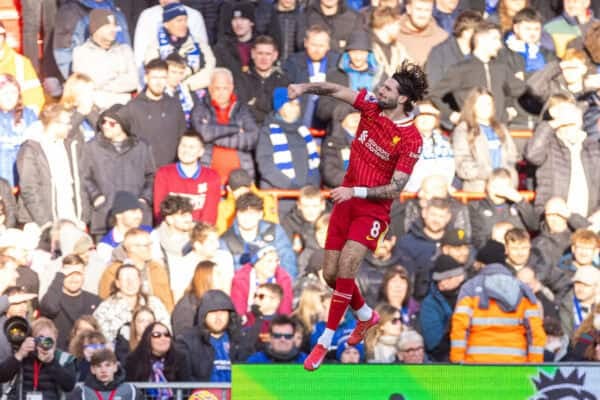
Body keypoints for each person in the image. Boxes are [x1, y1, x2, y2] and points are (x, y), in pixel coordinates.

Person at [287, 60, 427, 371]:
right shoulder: (371, 106)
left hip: (372, 208)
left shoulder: (411, 139)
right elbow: (336, 89)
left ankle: (325, 342)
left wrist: (358, 192)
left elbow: (397, 186)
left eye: (388, 88)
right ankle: (365, 314)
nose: (381, 89)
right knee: (332, 276)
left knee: (349, 265)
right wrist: (303, 88)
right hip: (345, 201)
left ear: (403, 99)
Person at [81, 104, 155, 238]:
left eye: (112, 123)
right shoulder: (92, 147)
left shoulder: (141, 147)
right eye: (103, 121)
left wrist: (144, 198)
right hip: (104, 214)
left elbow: (151, 176)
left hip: (136, 217)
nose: (105, 126)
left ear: (124, 126)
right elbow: (84, 176)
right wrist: (96, 196)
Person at [449, 262, 546, 363]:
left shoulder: (470, 288)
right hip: (515, 365)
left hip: (476, 364)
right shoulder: (523, 291)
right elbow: (535, 332)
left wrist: (457, 360)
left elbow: (459, 327)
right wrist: (535, 365)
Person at [16, 103, 86, 228]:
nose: (70, 127)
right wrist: (45, 224)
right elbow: (29, 189)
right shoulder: (31, 148)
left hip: (68, 218)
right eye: (67, 123)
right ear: (54, 124)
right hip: (40, 223)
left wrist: (80, 216)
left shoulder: (69, 146)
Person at [190, 67, 259, 185]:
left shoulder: (242, 110)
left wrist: (214, 136)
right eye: (217, 88)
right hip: (208, 176)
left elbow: (252, 138)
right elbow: (204, 134)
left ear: (231, 88)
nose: (221, 93)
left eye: (225, 88)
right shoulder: (200, 108)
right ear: (210, 88)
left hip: (241, 178)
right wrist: (236, 129)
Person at [121, 58, 186, 168]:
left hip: (169, 172)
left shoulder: (175, 105)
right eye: (155, 77)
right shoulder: (133, 107)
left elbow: (182, 137)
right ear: (146, 78)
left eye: (163, 78)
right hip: (142, 173)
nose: (159, 82)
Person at [452, 87, 519, 192]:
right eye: (481, 104)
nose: (485, 108)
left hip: (506, 187)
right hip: (478, 189)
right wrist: (492, 175)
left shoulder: (501, 128)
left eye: (488, 104)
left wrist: (508, 177)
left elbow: (512, 158)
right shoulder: (463, 129)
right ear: (472, 106)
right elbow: (462, 163)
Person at [175, 289, 250, 382]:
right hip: (202, 395)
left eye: (223, 312)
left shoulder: (241, 340)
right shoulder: (187, 341)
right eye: (213, 312)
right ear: (203, 315)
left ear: (230, 315)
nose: (218, 318)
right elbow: (184, 380)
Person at [255, 87, 321, 191]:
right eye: (289, 104)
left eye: (296, 104)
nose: (294, 108)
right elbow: (266, 166)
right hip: (280, 194)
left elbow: (314, 162)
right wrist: (291, 186)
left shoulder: (304, 132)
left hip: (307, 194)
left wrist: (310, 186)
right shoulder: (267, 132)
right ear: (279, 107)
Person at [71, 9, 138, 110]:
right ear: (95, 29)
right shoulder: (81, 52)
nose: (113, 29)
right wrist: (117, 78)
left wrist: (103, 83)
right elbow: (86, 84)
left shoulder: (125, 50)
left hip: (124, 109)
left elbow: (133, 81)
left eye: (114, 25)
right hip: (95, 111)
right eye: (108, 25)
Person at [144, 3, 215, 92]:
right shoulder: (155, 46)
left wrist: (186, 86)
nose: (183, 24)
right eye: (179, 20)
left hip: (196, 93)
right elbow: (153, 74)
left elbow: (210, 71)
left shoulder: (199, 44)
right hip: (165, 96)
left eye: (185, 20)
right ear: (166, 24)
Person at [221, 192, 297, 277]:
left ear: (260, 214)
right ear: (237, 214)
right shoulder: (226, 239)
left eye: (251, 214)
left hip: (273, 286)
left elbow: (288, 261)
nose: (247, 218)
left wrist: (285, 286)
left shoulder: (274, 230)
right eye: (242, 213)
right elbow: (224, 275)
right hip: (241, 287)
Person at [0, 318, 77, 400]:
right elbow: (2, 376)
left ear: (55, 338)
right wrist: (19, 355)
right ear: (33, 339)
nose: (45, 343)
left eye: (49, 339)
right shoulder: (24, 354)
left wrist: (51, 362)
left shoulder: (63, 358)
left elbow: (69, 386)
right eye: (41, 338)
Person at [153, 131, 221, 225]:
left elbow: (210, 215)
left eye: (191, 147)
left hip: (198, 234)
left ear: (201, 152)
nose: (186, 151)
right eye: (183, 146)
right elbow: (159, 211)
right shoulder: (164, 173)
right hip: (170, 232)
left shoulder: (212, 177)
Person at [99, 229, 174, 312]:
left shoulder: (156, 268)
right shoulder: (113, 271)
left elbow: (167, 301)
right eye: (146, 245)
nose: (151, 248)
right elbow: (105, 298)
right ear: (132, 248)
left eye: (151, 244)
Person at [93, 264, 170, 342]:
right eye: (125, 279)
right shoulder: (106, 308)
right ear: (118, 283)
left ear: (140, 281)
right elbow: (98, 339)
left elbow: (167, 331)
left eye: (134, 279)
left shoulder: (154, 303)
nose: (130, 283)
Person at [39, 255, 101, 350]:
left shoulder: (94, 301)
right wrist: (60, 276)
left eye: (78, 274)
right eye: (69, 274)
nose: (73, 279)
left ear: (84, 274)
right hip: (57, 356)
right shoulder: (53, 298)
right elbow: (49, 308)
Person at [397, 197, 453, 300]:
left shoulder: (455, 242)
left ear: (448, 218)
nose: (436, 220)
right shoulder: (407, 243)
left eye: (441, 216)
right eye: (433, 215)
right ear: (424, 213)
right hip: (417, 302)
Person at [468, 168, 538, 249]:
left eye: (502, 187)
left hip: (518, 252)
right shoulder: (476, 207)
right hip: (490, 253)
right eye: (494, 186)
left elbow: (534, 225)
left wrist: (520, 200)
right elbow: (477, 239)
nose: (497, 190)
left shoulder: (518, 205)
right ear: (487, 186)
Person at [420, 255, 465, 362]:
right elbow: (434, 345)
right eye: (439, 279)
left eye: (448, 278)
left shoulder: (471, 295)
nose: (442, 283)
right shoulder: (430, 303)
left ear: (460, 277)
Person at [231, 246, 294, 323]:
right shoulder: (241, 279)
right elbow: (239, 314)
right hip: (249, 325)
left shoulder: (283, 279)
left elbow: (285, 313)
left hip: (275, 324)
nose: (274, 265)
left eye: (276, 260)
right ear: (256, 263)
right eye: (269, 261)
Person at [237, 36, 291, 126]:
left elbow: (283, 114)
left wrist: (255, 103)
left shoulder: (283, 81)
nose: (264, 58)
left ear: (275, 56)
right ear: (253, 54)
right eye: (260, 53)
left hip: (275, 131)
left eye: (268, 54)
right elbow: (241, 110)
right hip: (249, 130)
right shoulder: (242, 79)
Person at [403, 101, 454, 192]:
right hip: (414, 193)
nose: (425, 119)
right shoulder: (404, 140)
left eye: (429, 115)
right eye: (421, 115)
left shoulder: (447, 141)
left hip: (443, 192)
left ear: (436, 119)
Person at [425, 9, 483, 88]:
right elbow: (433, 88)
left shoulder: (480, 54)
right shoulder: (439, 54)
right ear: (466, 32)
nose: (483, 37)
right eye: (479, 33)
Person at [0, 74, 38, 187]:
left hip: (25, 181)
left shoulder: (29, 115)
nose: (9, 97)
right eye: (5, 93)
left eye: (13, 93)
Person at [216, 168, 279, 234]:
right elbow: (221, 234)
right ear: (229, 189)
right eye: (238, 191)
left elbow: (273, 226)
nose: (242, 194)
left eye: (245, 189)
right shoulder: (222, 208)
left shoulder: (266, 200)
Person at [0, 22, 44, 114]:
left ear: (3, 37)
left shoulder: (21, 64)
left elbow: (35, 100)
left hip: (15, 123)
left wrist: (21, 121)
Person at [125, 323, 189, 384]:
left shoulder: (180, 359)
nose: (163, 338)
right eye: (157, 335)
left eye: (167, 335)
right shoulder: (133, 361)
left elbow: (185, 390)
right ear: (147, 338)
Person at [68, 348, 139, 400]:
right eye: (99, 366)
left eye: (108, 365)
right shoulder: (81, 393)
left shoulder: (131, 391)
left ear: (115, 367)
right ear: (93, 370)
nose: (103, 370)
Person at [184, 223, 234, 295]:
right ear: (197, 245)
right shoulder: (184, 265)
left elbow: (226, 291)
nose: (217, 245)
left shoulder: (224, 257)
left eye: (217, 240)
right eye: (211, 242)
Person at [396, 0, 449, 66]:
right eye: (419, 9)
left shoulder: (443, 38)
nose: (423, 15)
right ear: (408, 9)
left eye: (427, 10)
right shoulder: (393, 33)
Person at [171, 261, 215, 335]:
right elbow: (183, 339)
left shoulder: (215, 302)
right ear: (206, 279)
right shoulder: (186, 308)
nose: (224, 279)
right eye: (218, 275)